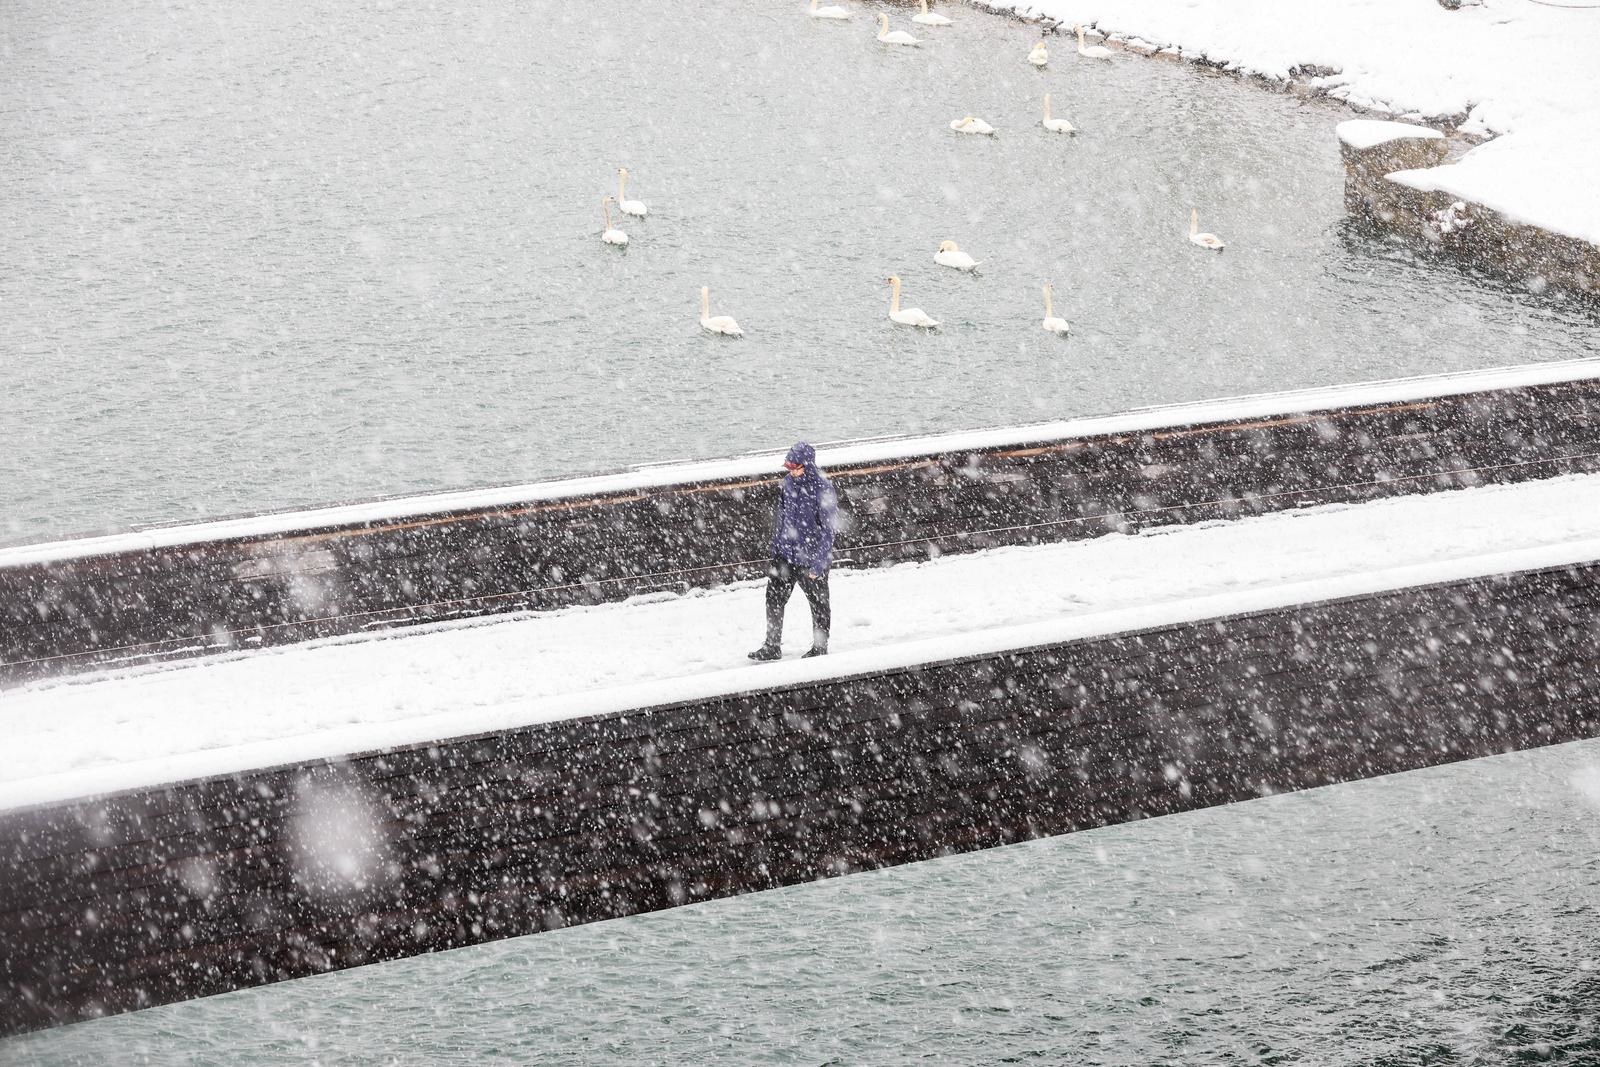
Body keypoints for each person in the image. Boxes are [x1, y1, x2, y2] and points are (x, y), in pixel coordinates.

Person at [749, 441, 838, 661]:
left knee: (818, 604)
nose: (792, 471)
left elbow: (828, 531)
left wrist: (818, 564)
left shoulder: (823, 489)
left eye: (796, 467)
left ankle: (820, 648)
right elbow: (782, 518)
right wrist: (777, 548)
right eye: (789, 467)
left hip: (811, 559)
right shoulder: (787, 484)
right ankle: (771, 646)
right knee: (773, 599)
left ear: (807, 465)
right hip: (785, 556)